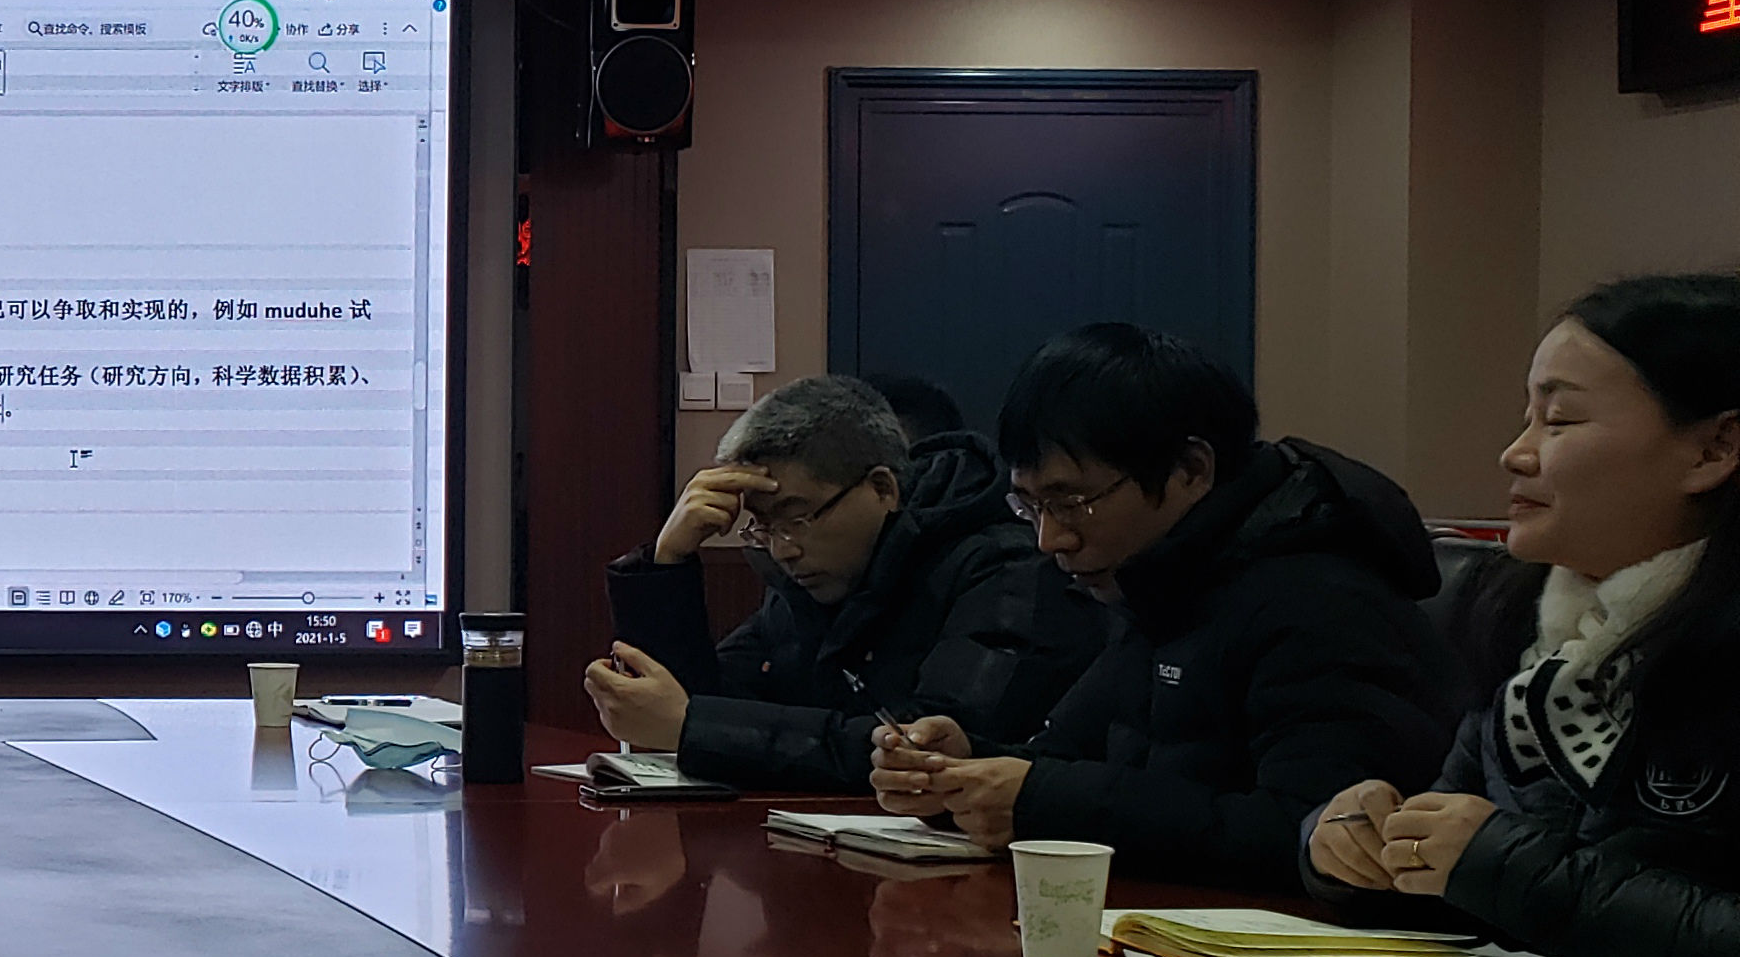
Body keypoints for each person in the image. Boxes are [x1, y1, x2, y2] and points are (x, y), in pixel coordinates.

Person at [873, 321, 1459, 888]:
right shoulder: (1159, 584)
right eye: (1030, 507)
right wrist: (964, 770)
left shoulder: (1321, 600)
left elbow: (1318, 837)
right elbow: (1069, 761)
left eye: (1073, 502)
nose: (1050, 539)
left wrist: (1037, 801)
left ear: (1191, 470)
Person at [1304, 276, 1740, 957]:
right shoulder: (1532, 629)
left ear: (1713, 450)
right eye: (1527, 418)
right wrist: (1355, 852)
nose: (1516, 453)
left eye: (1559, 420)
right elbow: (1471, 877)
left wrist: (1502, 867)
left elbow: (1514, 874)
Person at [586, 373, 1102, 790]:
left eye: (797, 517)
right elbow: (700, 705)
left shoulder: (1004, 569)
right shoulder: (808, 576)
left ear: (882, 488)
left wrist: (692, 726)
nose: (783, 548)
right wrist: (668, 563)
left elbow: (927, 748)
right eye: (764, 526)